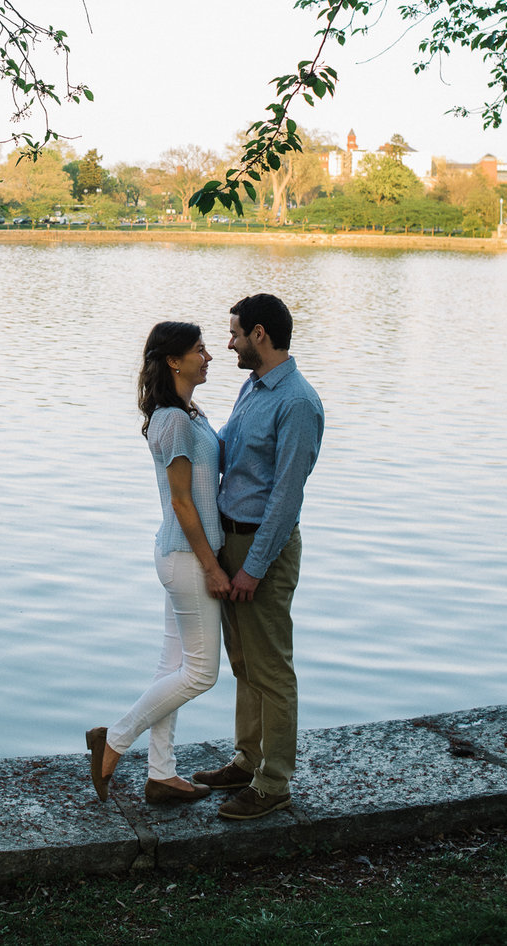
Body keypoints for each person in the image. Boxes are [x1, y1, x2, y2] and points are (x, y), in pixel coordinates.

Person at [86, 321, 232, 805]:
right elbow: (183, 504)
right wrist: (212, 566)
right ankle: (115, 741)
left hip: (183, 554)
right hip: (188, 557)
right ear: (174, 360)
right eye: (199, 350)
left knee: (172, 666)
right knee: (201, 673)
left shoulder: (188, 412)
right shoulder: (172, 419)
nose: (209, 356)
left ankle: (162, 774)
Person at [192, 293, 324, 821]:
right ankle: (247, 761)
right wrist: (180, 420)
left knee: (272, 668)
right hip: (231, 540)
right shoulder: (254, 387)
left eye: (235, 334)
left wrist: (252, 567)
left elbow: (287, 498)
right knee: (244, 663)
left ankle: (275, 782)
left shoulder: (297, 402)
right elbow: (228, 451)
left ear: (261, 335)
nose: (229, 344)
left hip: (260, 548)